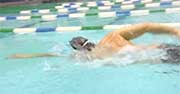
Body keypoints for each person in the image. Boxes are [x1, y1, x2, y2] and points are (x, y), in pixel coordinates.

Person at [8, 23, 180, 63]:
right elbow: (147, 26)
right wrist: (174, 31)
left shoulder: (89, 58)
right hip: (163, 50)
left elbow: (52, 55)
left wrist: (26, 55)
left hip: (161, 58)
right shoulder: (112, 37)